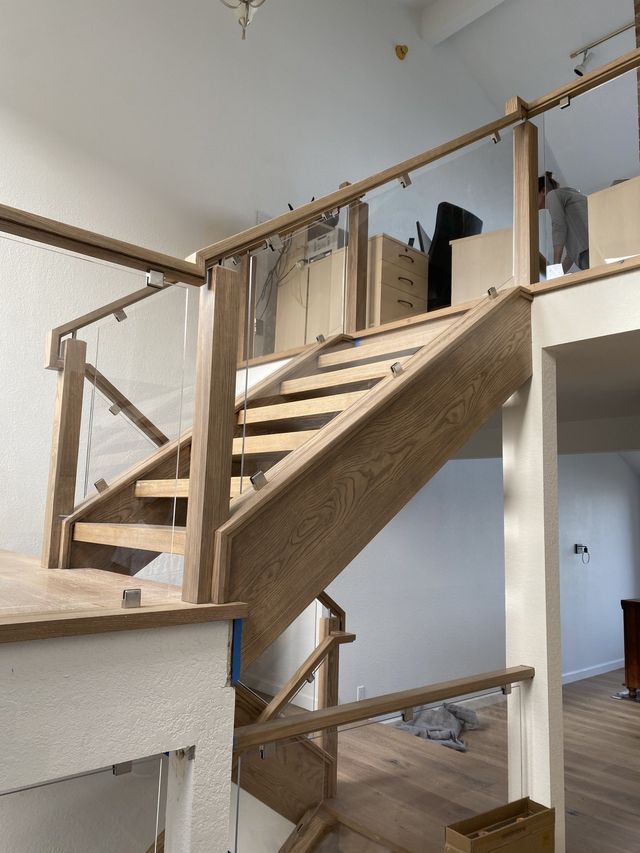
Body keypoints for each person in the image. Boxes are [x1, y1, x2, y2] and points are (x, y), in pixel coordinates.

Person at [538, 171, 589, 272]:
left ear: (543, 191)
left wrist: (556, 265)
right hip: (587, 250)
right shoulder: (569, 196)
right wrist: (559, 272)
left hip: (586, 252)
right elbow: (572, 252)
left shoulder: (552, 195)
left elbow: (559, 227)